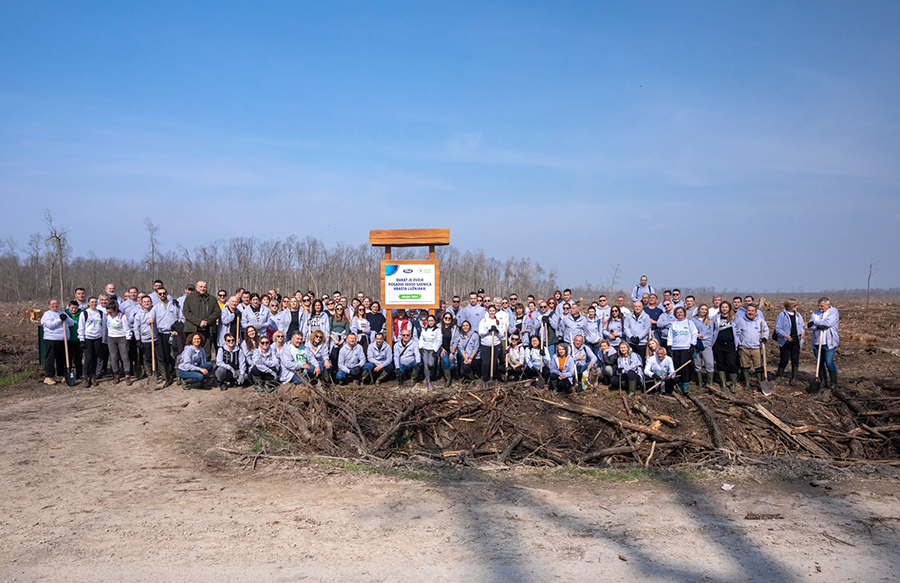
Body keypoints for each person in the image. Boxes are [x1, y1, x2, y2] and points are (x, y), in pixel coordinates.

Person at [735, 304, 770, 390]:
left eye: (752, 311)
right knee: (745, 366)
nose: (750, 312)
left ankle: (759, 382)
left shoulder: (760, 321)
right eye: (749, 311)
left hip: (756, 347)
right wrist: (740, 343)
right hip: (744, 348)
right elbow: (737, 332)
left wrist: (765, 338)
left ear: (756, 312)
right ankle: (747, 383)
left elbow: (766, 330)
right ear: (746, 311)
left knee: (758, 366)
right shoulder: (740, 321)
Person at [40, 299, 75, 385]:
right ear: (49, 305)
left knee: (62, 358)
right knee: (50, 358)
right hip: (51, 339)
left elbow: (72, 323)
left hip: (63, 340)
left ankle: (61, 374)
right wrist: (59, 320)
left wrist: (66, 318)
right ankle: (49, 376)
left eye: (56, 304)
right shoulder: (47, 314)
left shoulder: (62, 313)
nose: (55, 305)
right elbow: (50, 325)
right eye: (53, 304)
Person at [808, 297, 840, 390]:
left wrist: (815, 322)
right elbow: (810, 326)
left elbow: (827, 323)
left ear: (828, 305)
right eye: (819, 306)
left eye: (822, 306)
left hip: (829, 342)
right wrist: (817, 326)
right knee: (819, 363)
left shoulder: (833, 312)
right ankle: (823, 381)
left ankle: (834, 382)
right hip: (817, 341)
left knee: (829, 362)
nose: (820, 308)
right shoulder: (815, 313)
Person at [149, 288, 178, 387]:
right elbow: (150, 318)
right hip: (162, 333)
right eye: (160, 294)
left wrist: (177, 329)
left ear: (167, 294)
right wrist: (150, 321)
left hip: (174, 333)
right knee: (163, 356)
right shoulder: (156, 307)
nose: (162, 295)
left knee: (177, 354)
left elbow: (181, 318)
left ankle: (178, 375)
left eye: (164, 293)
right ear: (157, 295)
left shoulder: (174, 305)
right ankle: (166, 377)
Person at [667, 306, 698, 394]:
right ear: (675, 315)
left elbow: (694, 333)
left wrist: (692, 345)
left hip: (685, 348)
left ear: (684, 313)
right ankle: (678, 384)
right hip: (675, 348)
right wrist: (669, 346)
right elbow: (670, 336)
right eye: (677, 313)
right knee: (677, 366)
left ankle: (685, 384)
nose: (679, 314)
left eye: (681, 312)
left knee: (684, 366)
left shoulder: (689, 323)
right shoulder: (674, 324)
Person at [182, 281, 219, 355]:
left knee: (206, 353)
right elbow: (186, 312)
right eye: (201, 287)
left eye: (204, 287)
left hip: (208, 329)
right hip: (193, 329)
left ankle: (205, 366)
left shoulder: (212, 299)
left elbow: (217, 312)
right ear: (196, 287)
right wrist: (199, 322)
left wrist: (207, 322)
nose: (202, 289)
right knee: (191, 352)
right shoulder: (190, 298)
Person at [775, 298, 804, 386]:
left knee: (795, 359)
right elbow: (778, 328)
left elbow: (802, 326)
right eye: (795, 305)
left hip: (796, 341)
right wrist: (786, 336)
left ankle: (794, 378)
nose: (797, 307)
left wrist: (802, 332)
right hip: (785, 341)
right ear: (790, 306)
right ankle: (779, 375)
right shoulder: (782, 315)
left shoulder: (798, 315)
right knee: (784, 359)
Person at [104, 300, 133, 385]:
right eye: (108, 311)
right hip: (111, 338)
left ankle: (127, 375)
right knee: (114, 357)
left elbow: (127, 329)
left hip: (122, 338)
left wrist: (128, 339)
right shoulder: (107, 316)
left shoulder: (122, 316)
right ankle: (116, 374)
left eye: (110, 311)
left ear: (115, 310)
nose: (109, 313)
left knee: (125, 357)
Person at [712, 300, 739, 392]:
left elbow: (738, 330)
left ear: (729, 308)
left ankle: (732, 384)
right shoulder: (716, 318)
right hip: (718, 344)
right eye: (723, 307)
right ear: (720, 308)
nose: (724, 309)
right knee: (720, 363)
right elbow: (712, 330)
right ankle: (723, 383)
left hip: (730, 344)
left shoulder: (734, 318)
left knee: (731, 363)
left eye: (726, 307)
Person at [691, 304, 717, 390]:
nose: (704, 311)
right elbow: (690, 331)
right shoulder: (693, 320)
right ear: (698, 310)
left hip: (707, 343)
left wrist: (710, 343)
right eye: (702, 309)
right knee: (697, 363)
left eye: (705, 309)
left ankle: (709, 383)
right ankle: (700, 383)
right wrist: (696, 335)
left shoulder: (710, 321)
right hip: (697, 344)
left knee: (709, 363)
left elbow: (713, 332)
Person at [132, 295, 156, 385]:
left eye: (148, 301)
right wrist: (138, 339)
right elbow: (136, 328)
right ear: (141, 303)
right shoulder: (138, 315)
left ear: (151, 302)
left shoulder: (155, 311)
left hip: (155, 338)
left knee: (157, 357)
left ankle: (156, 373)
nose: (147, 303)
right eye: (145, 302)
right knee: (147, 357)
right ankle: (149, 374)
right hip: (145, 339)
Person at [478, 305, 503, 382]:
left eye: (493, 311)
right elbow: (480, 332)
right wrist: (488, 331)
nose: (492, 312)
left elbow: (502, 335)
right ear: (488, 311)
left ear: (495, 311)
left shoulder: (498, 321)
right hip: (485, 344)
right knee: (486, 362)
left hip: (495, 344)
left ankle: (493, 376)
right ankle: (485, 377)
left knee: (494, 362)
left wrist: (497, 331)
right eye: (490, 311)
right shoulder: (484, 321)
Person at [65, 300, 83, 379]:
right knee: (68, 358)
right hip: (68, 340)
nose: (74, 310)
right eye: (72, 308)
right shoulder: (65, 314)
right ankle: (67, 372)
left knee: (78, 358)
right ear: (69, 307)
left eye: (75, 308)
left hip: (78, 339)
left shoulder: (81, 314)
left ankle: (79, 373)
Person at [439, 312, 457, 387]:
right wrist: (441, 348)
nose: (447, 319)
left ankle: (452, 374)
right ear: (443, 319)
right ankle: (448, 379)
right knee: (446, 361)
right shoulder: (438, 327)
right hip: (442, 349)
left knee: (451, 365)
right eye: (446, 318)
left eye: (449, 318)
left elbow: (456, 341)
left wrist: (452, 352)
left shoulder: (454, 328)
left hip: (451, 349)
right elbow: (436, 340)